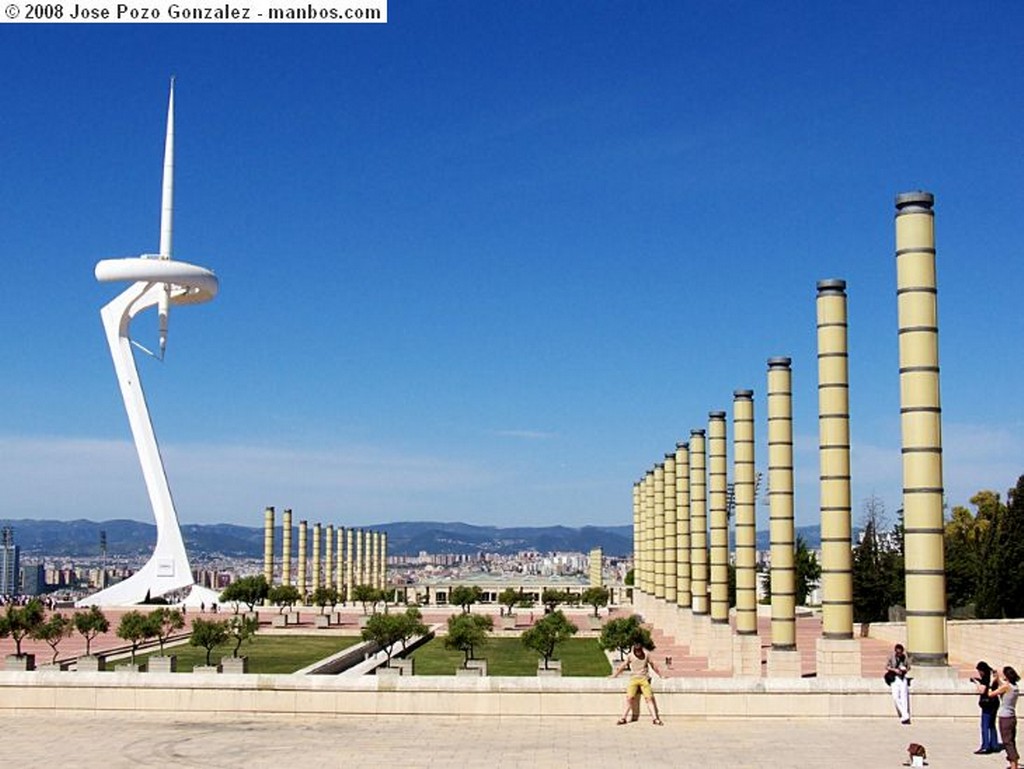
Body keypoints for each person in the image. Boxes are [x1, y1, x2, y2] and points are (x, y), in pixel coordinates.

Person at [611, 642, 664, 725]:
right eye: (637, 651)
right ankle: (623, 718)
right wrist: (615, 675)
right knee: (629, 698)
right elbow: (623, 665)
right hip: (634, 679)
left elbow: (653, 665)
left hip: (644, 679)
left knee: (649, 699)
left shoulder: (647, 655)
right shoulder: (630, 656)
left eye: (639, 651)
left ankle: (655, 719)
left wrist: (660, 675)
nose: (638, 653)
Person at [991, 666, 1020, 769]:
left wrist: (992, 683)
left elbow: (991, 694)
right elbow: (1004, 687)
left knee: (1007, 742)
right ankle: (1014, 763)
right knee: (1011, 741)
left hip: (1005, 718)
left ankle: (1013, 766)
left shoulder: (1006, 687)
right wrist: (998, 679)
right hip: (1012, 717)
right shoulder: (1014, 686)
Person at [972, 661, 1001, 754]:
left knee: (984, 725)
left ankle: (985, 746)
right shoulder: (993, 677)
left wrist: (976, 683)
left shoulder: (985, 678)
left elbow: (982, 690)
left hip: (987, 703)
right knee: (992, 724)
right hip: (995, 702)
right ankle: (994, 744)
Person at [885, 643, 911, 724]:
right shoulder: (891, 657)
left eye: (900, 652)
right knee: (896, 697)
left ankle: (905, 717)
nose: (899, 654)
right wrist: (894, 670)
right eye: (898, 652)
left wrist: (904, 670)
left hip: (903, 678)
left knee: (904, 698)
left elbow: (908, 667)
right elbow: (886, 666)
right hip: (895, 678)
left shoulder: (905, 657)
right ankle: (905, 715)